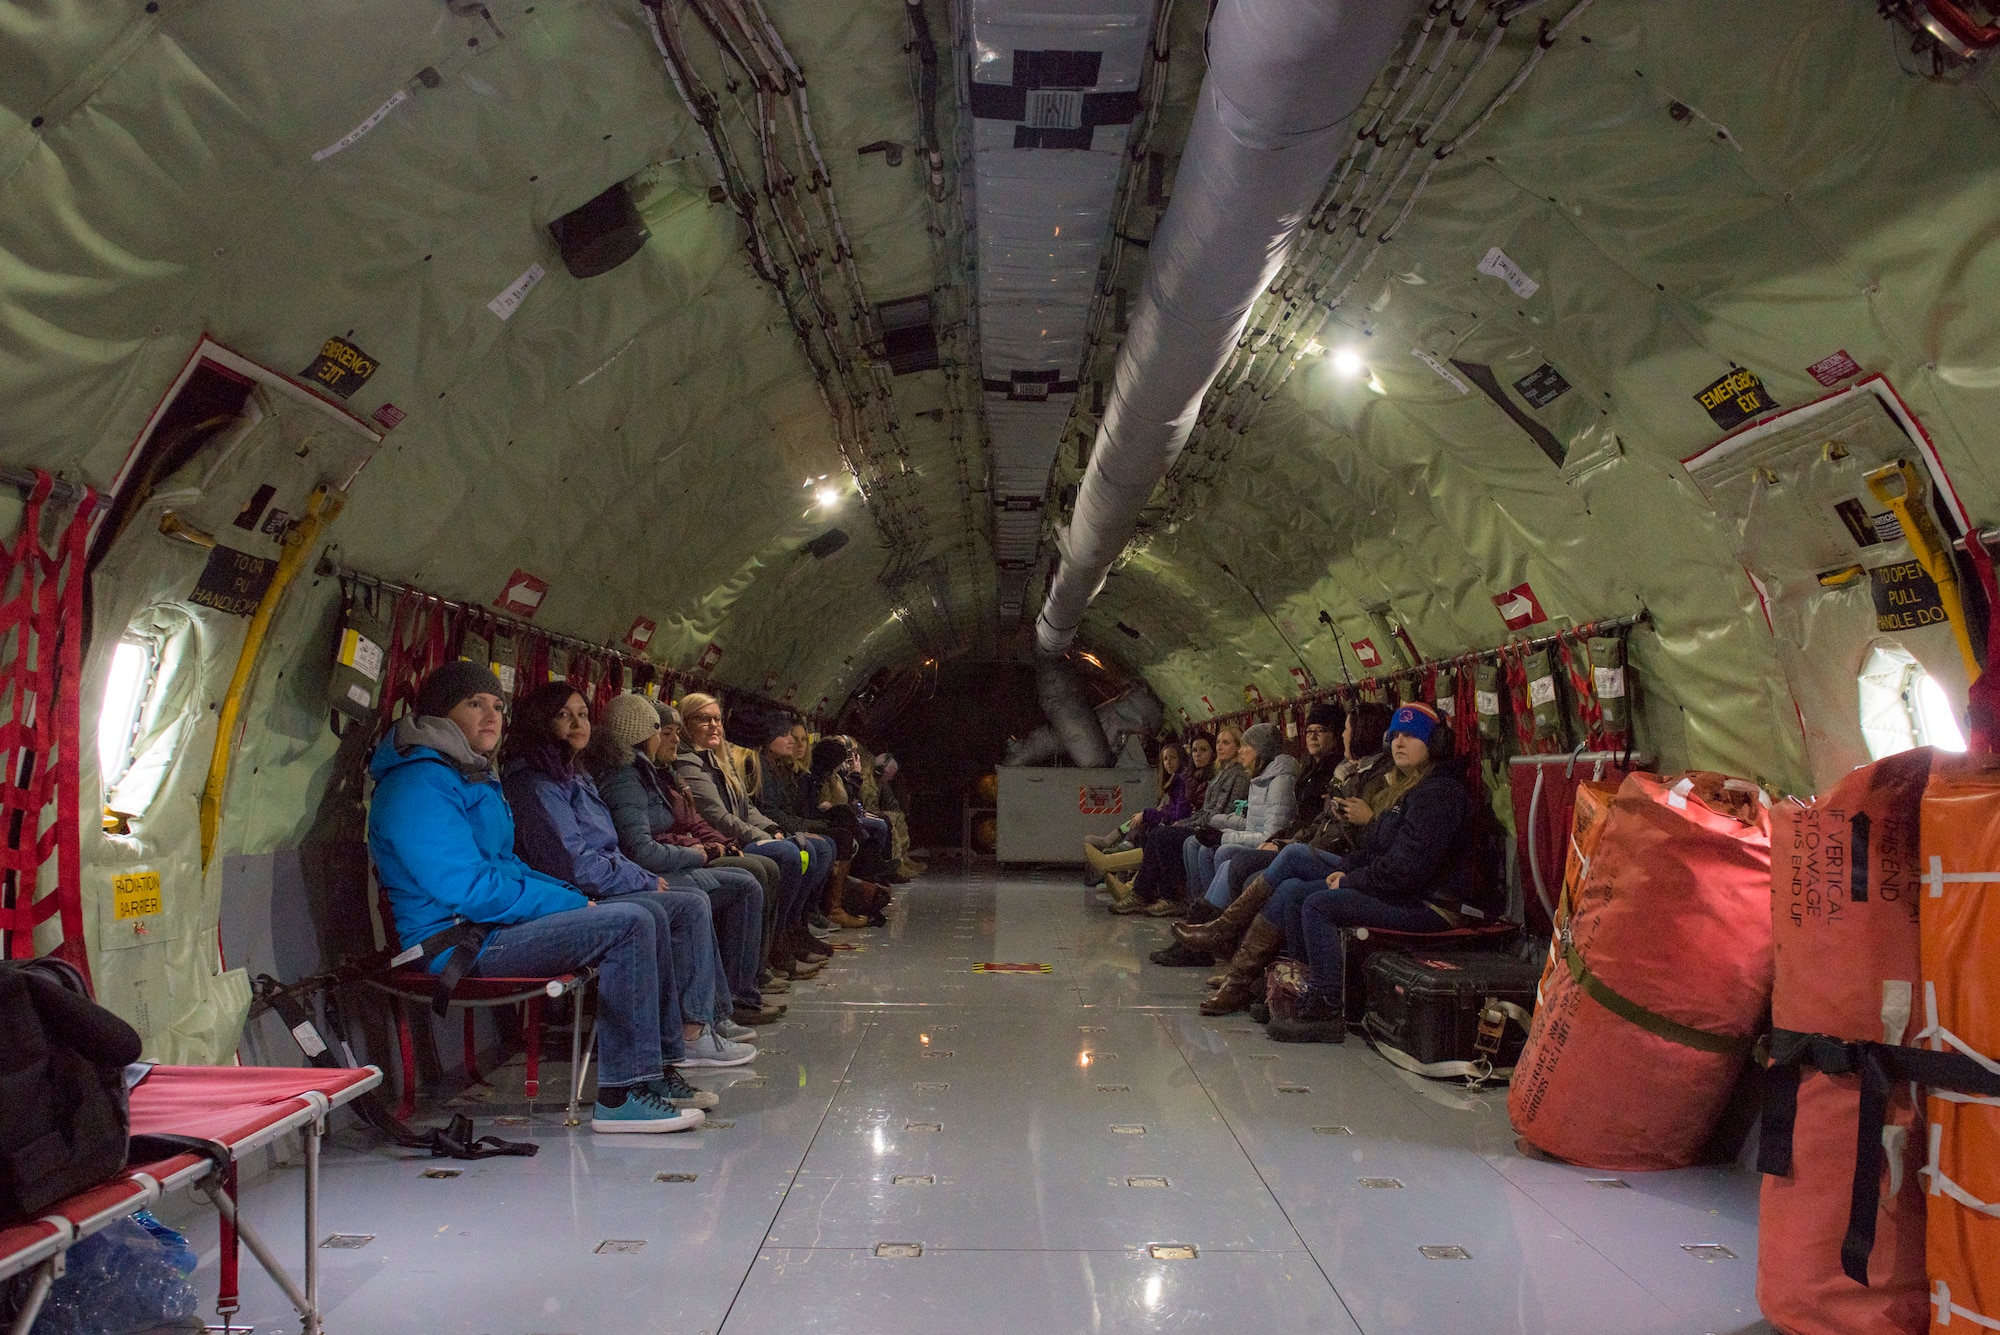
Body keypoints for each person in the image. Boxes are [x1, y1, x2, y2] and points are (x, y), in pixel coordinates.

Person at [366, 662, 703, 1134]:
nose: (492, 716)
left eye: (498, 706)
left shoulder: (469, 775)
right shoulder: (417, 784)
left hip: (494, 928)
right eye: (475, 704)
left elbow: (509, 866)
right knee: (629, 922)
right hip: (456, 944)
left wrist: (570, 897)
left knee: (645, 910)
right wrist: (568, 905)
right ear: (440, 715)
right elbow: (468, 890)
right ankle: (622, 1093)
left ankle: (657, 1071)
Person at [499, 683, 757, 1077]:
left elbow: (610, 847)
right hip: (574, 894)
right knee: (680, 907)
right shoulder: (538, 784)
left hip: (604, 880)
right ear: (540, 723)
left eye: (583, 715)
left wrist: (640, 875)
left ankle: (692, 1028)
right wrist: (643, 879)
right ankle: (681, 1038)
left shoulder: (574, 774)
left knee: (691, 901)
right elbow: (575, 865)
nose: (577, 723)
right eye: (564, 715)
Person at [1261, 703, 1476, 1042]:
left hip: (1431, 906)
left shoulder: (1439, 794)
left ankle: (1327, 1007)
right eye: (1396, 736)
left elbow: (1406, 871)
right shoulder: (1407, 788)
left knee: (1318, 904)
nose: (1399, 744)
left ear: (1434, 743)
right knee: (1296, 893)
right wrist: (1347, 867)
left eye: (1411, 736)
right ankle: (1303, 988)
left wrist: (1350, 880)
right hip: (1404, 891)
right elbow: (1380, 850)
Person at [588, 693, 781, 1028]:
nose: (673, 738)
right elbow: (642, 850)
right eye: (664, 731)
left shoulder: (649, 772)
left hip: (669, 861)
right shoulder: (627, 778)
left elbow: (690, 823)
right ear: (645, 734)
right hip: (650, 871)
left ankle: (729, 1001)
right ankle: (712, 1013)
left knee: (752, 877)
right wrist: (699, 852)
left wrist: (715, 845)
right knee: (734, 886)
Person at [1168, 700, 1395, 971]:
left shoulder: (1371, 778)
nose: (1312, 736)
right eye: (1308, 730)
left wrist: (1364, 821)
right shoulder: (1334, 772)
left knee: (1246, 862)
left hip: (1341, 856)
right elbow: (1315, 822)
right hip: (1316, 845)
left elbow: (1355, 835)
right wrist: (1284, 840)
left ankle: (1226, 940)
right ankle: (1230, 953)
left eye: (1323, 730)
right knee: (1215, 850)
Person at [673, 692, 835, 977]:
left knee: (808, 847)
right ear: (685, 725)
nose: (714, 726)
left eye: (717, 720)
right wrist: (760, 837)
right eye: (703, 719)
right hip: (723, 841)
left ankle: (790, 929)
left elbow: (746, 807)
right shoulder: (689, 764)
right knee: (786, 854)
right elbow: (718, 818)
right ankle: (772, 948)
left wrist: (773, 830)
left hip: (740, 835)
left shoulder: (720, 758)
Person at [1107, 724, 1247, 914]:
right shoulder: (1222, 773)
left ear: (1238, 747)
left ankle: (1166, 896)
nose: (1220, 747)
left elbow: (1222, 811)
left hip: (1216, 828)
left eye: (1226, 743)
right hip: (1204, 822)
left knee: (1164, 836)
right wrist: (1184, 823)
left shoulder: (1236, 775)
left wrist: (1187, 823)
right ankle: (1142, 891)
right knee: (1159, 833)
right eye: (1219, 742)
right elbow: (1205, 810)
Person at [1179, 722, 1297, 919]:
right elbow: (1250, 822)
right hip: (1255, 839)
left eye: (1245, 746)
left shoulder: (1279, 782)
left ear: (1260, 750)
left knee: (1223, 852)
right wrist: (1217, 824)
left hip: (1270, 847)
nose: (1241, 752)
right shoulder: (1261, 777)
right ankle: (1202, 911)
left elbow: (1271, 835)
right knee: (1203, 846)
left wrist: (1224, 837)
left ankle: (1219, 918)